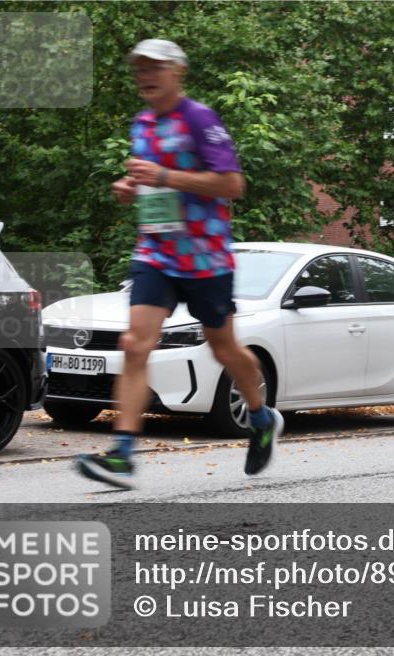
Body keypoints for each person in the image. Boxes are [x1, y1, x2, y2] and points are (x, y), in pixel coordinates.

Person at [77, 39, 282, 488]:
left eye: (155, 67)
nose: (146, 76)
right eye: (140, 69)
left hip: (205, 256)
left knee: (224, 349)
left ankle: (261, 415)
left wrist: (166, 176)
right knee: (135, 344)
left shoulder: (200, 119)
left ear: (178, 72)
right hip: (156, 252)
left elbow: (232, 184)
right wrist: (129, 186)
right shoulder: (142, 124)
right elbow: (147, 177)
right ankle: (123, 454)